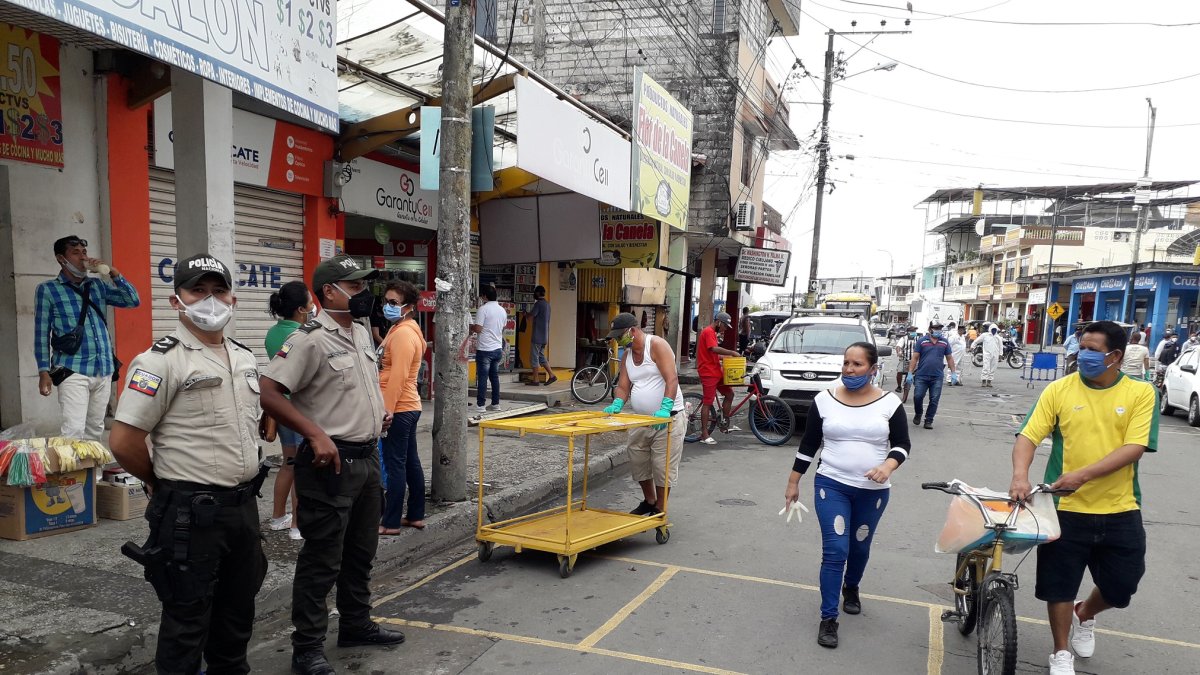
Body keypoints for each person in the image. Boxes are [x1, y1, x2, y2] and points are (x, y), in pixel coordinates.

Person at [109, 254, 266, 674]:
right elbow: (124, 441)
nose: (210, 300)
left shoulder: (244, 357)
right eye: (198, 290)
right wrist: (156, 482)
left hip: (242, 509)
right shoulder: (161, 360)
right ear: (177, 300)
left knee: (237, 615)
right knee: (186, 620)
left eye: (219, 291)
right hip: (189, 514)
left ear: (233, 298)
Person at [259, 255, 402, 675]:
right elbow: (269, 391)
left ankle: (356, 624)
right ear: (329, 293)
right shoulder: (308, 339)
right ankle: (307, 648)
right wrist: (315, 433)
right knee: (322, 559)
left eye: (362, 286)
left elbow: (349, 390)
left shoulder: (358, 332)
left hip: (367, 458)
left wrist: (377, 415)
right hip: (329, 463)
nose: (364, 295)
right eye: (355, 287)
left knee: (361, 554)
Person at [1009, 320, 1157, 675]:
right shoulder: (1060, 390)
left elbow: (1135, 447)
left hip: (1120, 507)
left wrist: (1084, 474)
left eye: (1093, 350)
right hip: (1063, 507)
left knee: (1122, 586)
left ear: (1116, 356)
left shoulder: (1141, 392)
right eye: (1081, 347)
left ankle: (1085, 613)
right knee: (1058, 586)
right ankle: (1061, 652)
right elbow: (1028, 436)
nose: (1082, 355)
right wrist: (1019, 476)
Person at [784, 341, 911, 649]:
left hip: (874, 492)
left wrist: (888, 465)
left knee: (860, 547)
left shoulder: (889, 403)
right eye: (846, 363)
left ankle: (851, 587)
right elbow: (809, 445)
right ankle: (828, 618)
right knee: (835, 550)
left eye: (857, 365)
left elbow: (902, 444)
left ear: (873, 369)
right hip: (832, 484)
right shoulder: (824, 400)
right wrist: (793, 482)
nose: (849, 370)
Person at [35, 235, 140, 442]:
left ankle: (93, 475)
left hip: (104, 368)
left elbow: (132, 300)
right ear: (61, 259)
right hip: (72, 368)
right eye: (75, 253)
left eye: (84, 252)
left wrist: (114, 274)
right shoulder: (48, 290)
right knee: (73, 431)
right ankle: (71, 475)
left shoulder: (97, 286)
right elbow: (41, 332)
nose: (83, 258)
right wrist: (43, 371)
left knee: (95, 431)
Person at [602, 312, 685, 516]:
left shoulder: (656, 345)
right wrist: (617, 403)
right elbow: (623, 385)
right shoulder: (627, 355)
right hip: (640, 420)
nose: (617, 341)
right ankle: (650, 500)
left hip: (667, 417)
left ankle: (660, 508)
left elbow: (671, 379)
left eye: (619, 336)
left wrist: (665, 407)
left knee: (661, 466)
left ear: (631, 331)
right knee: (638, 460)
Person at [264, 280, 315, 541]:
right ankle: (297, 524)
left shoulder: (272, 333)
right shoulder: (302, 335)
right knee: (301, 468)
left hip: (279, 408)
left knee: (289, 463)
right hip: (298, 409)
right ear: (301, 309)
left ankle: (277, 517)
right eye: (309, 302)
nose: (313, 305)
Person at [378, 281, 427, 535]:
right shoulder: (403, 329)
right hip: (406, 406)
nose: (388, 306)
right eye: (386, 301)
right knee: (409, 462)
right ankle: (415, 515)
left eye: (394, 303)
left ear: (408, 306)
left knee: (395, 463)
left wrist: (386, 411)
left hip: (399, 408)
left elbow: (397, 376)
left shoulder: (404, 334)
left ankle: (390, 522)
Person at [695, 312, 742, 445]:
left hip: (716, 371)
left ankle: (723, 422)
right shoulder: (708, 331)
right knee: (708, 402)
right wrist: (731, 352)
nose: (725, 329)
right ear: (718, 322)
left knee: (730, 394)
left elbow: (714, 355)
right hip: (708, 372)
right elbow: (713, 349)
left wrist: (728, 358)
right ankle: (704, 434)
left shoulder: (713, 334)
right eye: (725, 326)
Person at [905, 321, 955, 429]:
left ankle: (929, 420)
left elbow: (949, 358)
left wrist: (953, 373)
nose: (938, 330)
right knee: (918, 396)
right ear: (930, 329)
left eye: (939, 328)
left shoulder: (944, 342)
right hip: (921, 375)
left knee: (934, 399)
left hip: (937, 376)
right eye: (936, 328)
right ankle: (918, 413)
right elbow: (915, 358)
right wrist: (910, 373)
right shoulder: (922, 341)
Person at [471, 284, 508, 413]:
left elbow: (478, 328)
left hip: (485, 348)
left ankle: (481, 405)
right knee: (494, 377)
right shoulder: (502, 310)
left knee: (482, 377)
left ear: (485, 296)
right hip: (497, 347)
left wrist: (471, 326)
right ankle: (495, 404)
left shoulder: (483, 309)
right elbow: (503, 327)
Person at [528, 285, 556, 386]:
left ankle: (536, 379)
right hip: (544, 336)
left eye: (535, 293)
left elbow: (531, 316)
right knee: (541, 357)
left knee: (534, 357)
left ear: (538, 293)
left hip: (537, 336)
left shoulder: (538, 304)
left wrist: (526, 315)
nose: (534, 295)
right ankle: (552, 375)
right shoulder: (547, 304)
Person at [973, 323, 1004, 388]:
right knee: (986, 367)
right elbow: (976, 341)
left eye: (995, 330)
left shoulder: (998, 337)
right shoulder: (985, 335)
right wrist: (972, 346)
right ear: (990, 329)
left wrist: (1000, 354)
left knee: (993, 368)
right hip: (987, 354)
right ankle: (984, 380)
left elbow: (1001, 347)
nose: (994, 331)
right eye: (993, 329)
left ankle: (989, 381)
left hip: (995, 354)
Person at [893, 328, 914, 393]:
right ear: (908, 332)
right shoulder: (903, 339)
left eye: (914, 331)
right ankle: (899, 386)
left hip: (915, 360)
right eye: (912, 331)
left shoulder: (918, 339)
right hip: (905, 358)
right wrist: (899, 352)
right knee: (899, 371)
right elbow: (898, 346)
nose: (914, 333)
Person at [944, 321, 966, 386]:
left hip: (961, 354)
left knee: (959, 367)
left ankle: (956, 380)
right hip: (955, 353)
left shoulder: (963, 337)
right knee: (952, 366)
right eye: (960, 330)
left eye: (962, 330)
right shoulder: (954, 336)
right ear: (958, 330)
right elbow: (949, 343)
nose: (961, 331)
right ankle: (949, 380)